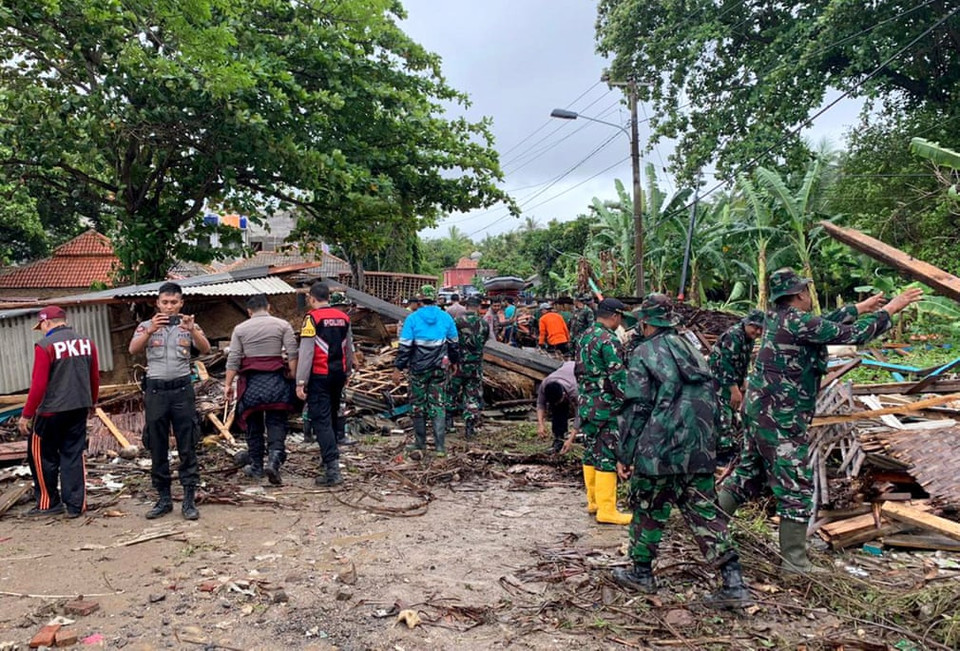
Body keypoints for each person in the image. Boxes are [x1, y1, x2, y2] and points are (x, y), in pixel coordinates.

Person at [717, 269, 923, 573]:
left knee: (748, 473)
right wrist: (891, 309)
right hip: (781, 418)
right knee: (796, 487)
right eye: (807, 291)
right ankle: (794, 563)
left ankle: (707, 529)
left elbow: (824, 324)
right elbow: (853, 335)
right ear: (800, 294)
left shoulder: (776, 317)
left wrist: (858, 308)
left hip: (760, 413)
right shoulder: (798, 322)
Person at [614, 294, 748, 607]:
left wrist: (625, 453)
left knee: (648, 509)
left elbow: (637, 406)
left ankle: (641, 573)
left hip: (658, 449)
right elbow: (713, 400)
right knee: (705, 514)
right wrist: (720, 444)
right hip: (699, 448)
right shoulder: (694, 350)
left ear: (646, 323)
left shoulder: (644, 353)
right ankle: (734, 583)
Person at [130, 282, 210, 520]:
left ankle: (188, 499)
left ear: (181, 303)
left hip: (182, 390)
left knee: (187, 444)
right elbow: (133, 349)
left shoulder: (189, 326)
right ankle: (164, 498)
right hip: (156, 392)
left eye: (174, 302)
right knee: (157, 444)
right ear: (157, 303)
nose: (169, 307)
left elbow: (205, 349)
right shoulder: (146, 326)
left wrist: (193, 330)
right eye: (165, 302)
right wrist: (150, 330)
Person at [19, 306, 99, 518]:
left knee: (41, 456)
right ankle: (75, 505)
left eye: (41, 326)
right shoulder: (86, 342)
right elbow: (94, 377)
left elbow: (38, 385)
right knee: (73, 454)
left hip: (50, 412)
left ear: (46, 323)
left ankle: (48, 503)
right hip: (79, 407)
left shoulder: (45, 345)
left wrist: (26, 415)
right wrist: (92, 403)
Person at [225, 294, 298, 484]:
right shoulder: (283, 325)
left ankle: (256, 466)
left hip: (251, 384)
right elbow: (292, 352)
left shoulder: (240, 329)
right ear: (269, 307)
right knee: (276, 422)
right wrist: (293, 374)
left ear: (249, 311)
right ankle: (273, 461)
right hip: (276, 382)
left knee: (253, 424)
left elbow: (233, 358)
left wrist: (227, 385)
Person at [576, 298, 632, 525]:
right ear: (615, 316)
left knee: (591, 451)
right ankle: (607, 510)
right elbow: (617, 376)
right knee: (607, 455)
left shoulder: (585, 336)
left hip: (586, 403)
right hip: (605, 406)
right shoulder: (609, 340)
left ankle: (594, 501)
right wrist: (628, 401)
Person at [296, 282, 356, 486]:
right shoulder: (344, 318)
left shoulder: (311, 318)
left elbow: (306, 352)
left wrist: (300, 381)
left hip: (319, 375)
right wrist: (347, 371)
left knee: (320, 420)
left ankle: (332, 468)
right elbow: (349, 348)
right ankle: (327, 458)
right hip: (338, 375)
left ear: (312, 298)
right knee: (330, 416)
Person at [392, 284, 460, 456]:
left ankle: (420, 443)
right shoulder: (445, 318)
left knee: (417, 406)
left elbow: (405, 347)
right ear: (436, 299)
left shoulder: (412, 319)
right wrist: (454, 362)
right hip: (439, 369)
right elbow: (454, 344)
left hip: (418, 370)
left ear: (420, 299)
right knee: (438, 405)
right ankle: (439, 447)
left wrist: (398, 368)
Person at [708, 310, 764, 465]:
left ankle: (730, 446)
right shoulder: (733, 336)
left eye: (761, 329)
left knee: (732, 414)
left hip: (733, 379)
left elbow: (743, 361)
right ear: (746, 323)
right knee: (723, 415)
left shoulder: (748, 339)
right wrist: (734, 390)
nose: (758, 332)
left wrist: (744, 382)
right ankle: (721, 452)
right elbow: (725, 365)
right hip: (720, 381)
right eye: (754, 327)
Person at [447, 296, 489, 439]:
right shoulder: (484, 324)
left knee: (451, 392)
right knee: (472, 395)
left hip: (457, 365)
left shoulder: (456, 322)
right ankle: (469, 427)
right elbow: (483, 342)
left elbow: (451, 342)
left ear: (466, 306)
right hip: (475, 366)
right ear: (478, 307)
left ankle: (449, 423)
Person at [537, 361, 580, 455]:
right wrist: (541, 424)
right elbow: (540, 404)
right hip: (564, 368)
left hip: (580, 369)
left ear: (564, 395)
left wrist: (570, 440)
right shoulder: (545, 384)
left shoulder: (575, 390)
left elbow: (580, 415)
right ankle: (559, 438)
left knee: (589, 412)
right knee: (557, 411)